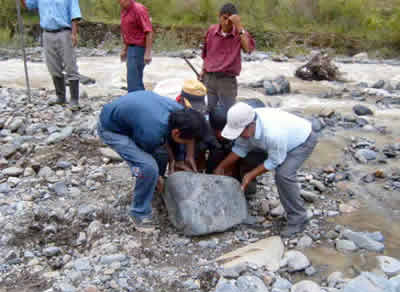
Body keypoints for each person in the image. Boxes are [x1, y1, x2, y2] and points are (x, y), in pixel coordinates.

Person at [97, 91, 207, 232]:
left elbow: (171, 138)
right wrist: (156, 176)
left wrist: (178, 159)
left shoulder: (181, 113)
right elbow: (151, 149)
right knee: (147, 167)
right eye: (187, 140)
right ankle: (139, 213)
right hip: (112, 129)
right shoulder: (151, 132)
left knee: (160, 155)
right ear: (176, 133)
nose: (188, 143)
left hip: (136, 116)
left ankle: (153, 186)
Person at [214, 102, 318, 237]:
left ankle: (298, 218)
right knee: (249, 159)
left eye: (241, 132)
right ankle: (247, 192)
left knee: (283, 175)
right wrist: (221, 166)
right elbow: (240, 149)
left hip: (302, 141)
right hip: (278, 141)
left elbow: (275, 161)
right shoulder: (247, 122)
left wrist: (250, 175)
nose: (239, 135)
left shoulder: (272, 133)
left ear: (251, 125)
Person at [22, 0, 82, 110]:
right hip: (47, 33)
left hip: (64, 32)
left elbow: (75, 14)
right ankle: (60, 97)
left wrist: (74, 34)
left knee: (70, 65)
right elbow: (29, 5)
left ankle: (74, 99)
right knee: (53, 66)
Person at [200, 3, 255, 111]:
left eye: (230, 21)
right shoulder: (211, 31)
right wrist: (202, 71)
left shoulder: (241, 34)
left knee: (229, 114)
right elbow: (206, 53)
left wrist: (239, 27)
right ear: (219, 17)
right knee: (207, 111)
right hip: (209, 78)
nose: (226, 23)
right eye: (224, 18)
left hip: (227, 82)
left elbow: (248, 49)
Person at [119, 0, 153, 92]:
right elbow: (128, 31)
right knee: (133, 79)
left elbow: (149, 31)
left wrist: (148, 53)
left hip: (139, 48)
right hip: (130, 47)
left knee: (134, 80)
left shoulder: (139, 9)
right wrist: (125, 49)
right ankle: (138, 100)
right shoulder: (124, 10)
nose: (120, 2)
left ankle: (137, 101)